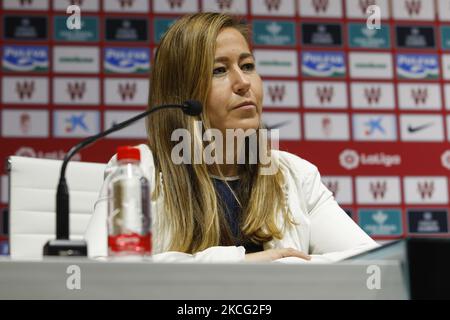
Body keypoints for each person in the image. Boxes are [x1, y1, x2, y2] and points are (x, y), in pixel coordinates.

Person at [85, 13, 378, 263]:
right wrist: (239, 264)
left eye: (247, 65)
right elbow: (102, 269)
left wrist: (285, 266)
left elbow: (370, 261)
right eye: (219, 70)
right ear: (182, 93)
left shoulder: (294, 174)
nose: (243, 83)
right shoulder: (139, 171)